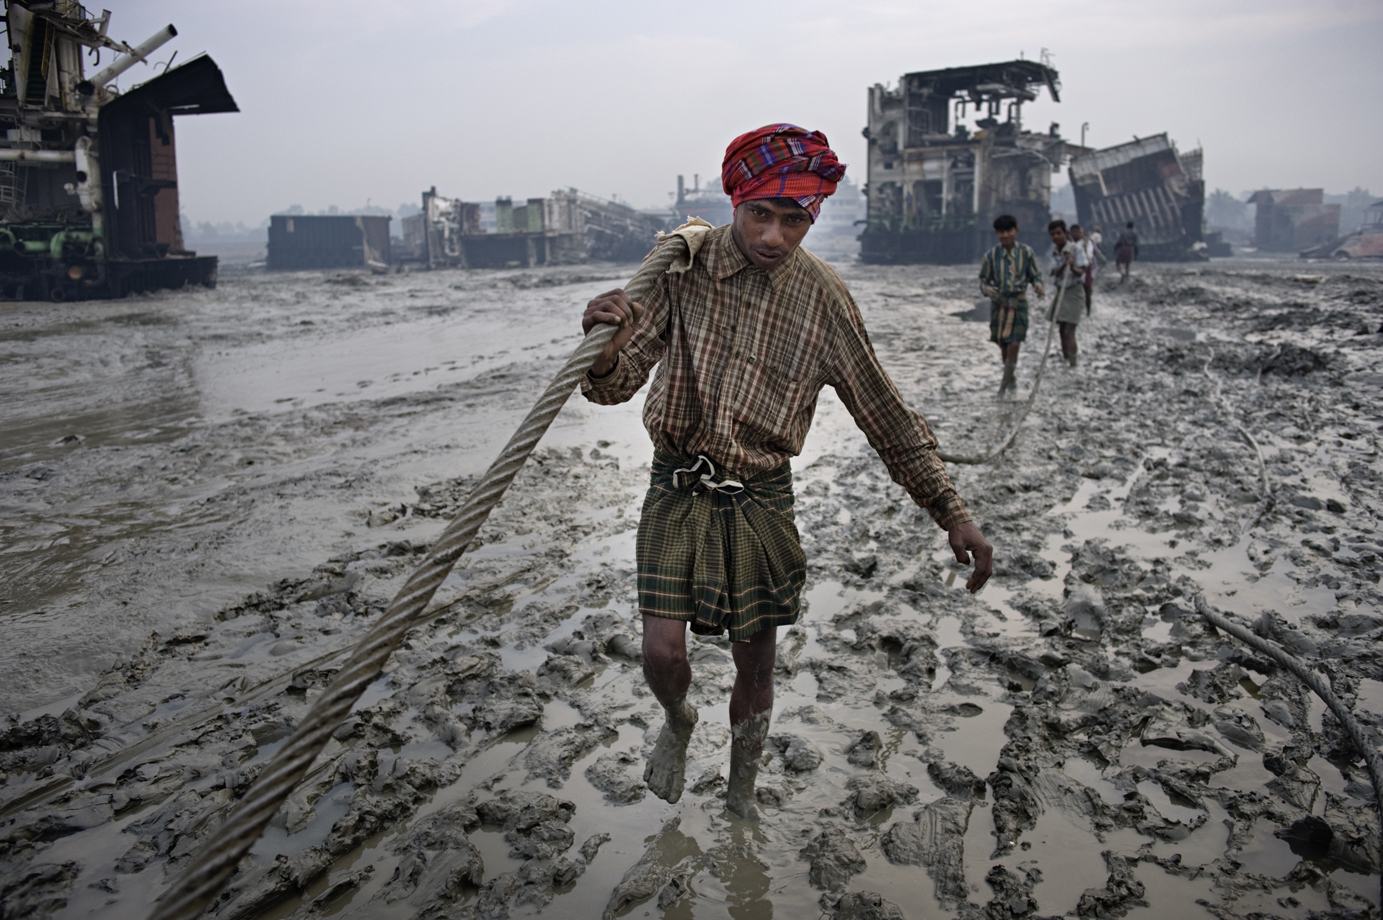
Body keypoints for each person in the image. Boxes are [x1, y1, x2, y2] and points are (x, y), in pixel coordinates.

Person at [580, 124, 993, 820]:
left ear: (812, 219)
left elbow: (885, 416)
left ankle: (741, 784)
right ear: (735, 202)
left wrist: (951, 513)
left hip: (759, 497)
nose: (773, 236)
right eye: (758, 215)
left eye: (793, 220)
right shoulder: (681, 265)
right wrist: (601, 345)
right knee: (660, 651)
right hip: (676, 483)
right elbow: (612, 386)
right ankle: (678, 719)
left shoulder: (824, 300)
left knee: (756, 664)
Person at [978, 214, 1045, 396]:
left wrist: (1038, 286)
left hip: (1018, 303)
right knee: (1003, 345)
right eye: (1001, 232)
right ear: (996, 234)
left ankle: (1003, 388)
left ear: (1016, 231)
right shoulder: (991, 256)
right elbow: (983, 281)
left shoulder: (1026, 253)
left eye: (1008, 231)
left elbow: (1035, 276)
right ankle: (1011, 378)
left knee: (1014, 343)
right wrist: (987, 290)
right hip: (999, 304)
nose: (1005, 235)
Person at [1047, 219, 1088, 366]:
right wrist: (1065, 263)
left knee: (1069, 331)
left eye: (1058, 233)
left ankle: (1073, 364)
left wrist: (1072, 266)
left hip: (1074, 292)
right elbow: (1054, 273)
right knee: (1061, 329)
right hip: (1061, 292)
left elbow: (1081, 271)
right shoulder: (1053, 252)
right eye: (1052, 234)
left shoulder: (1076, 249)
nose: (1056, 237)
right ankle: (1065, 359)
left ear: (1065, 233)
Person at [1069, 223, 1095, 316]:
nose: (1074, 234)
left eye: (1076, 232)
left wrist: (1084, 265)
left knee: (1087, 290)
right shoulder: (1070, 244)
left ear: (1080, 232)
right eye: (1072, 232)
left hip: (1084, 268)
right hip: (1072, 268)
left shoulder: (1087, 243)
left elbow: (1089, 256)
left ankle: (1088, 311)